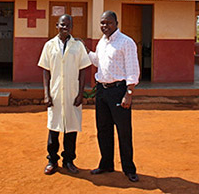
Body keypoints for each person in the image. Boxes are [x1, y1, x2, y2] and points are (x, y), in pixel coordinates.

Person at [85, 10, 140, 182]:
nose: (105, 26)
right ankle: (106, 164)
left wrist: (128, 93)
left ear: (116, 23)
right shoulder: (102, 42)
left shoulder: (126, 42)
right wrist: (85, 50)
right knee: (103, 129)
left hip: (119, 91)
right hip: (101, 91)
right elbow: (97, 62)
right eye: (102, 23)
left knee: (123, 131)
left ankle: (129, 168)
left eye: (108, 23)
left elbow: (132, 70)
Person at [37, 14, 91, 175]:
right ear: (57, 25)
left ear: (72, 27)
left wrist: (81, 93)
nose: (65, 27)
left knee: (71, 129)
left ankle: (69, 160)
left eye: (68, 25)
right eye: (62, 24)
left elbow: (83, 71)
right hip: (55, 93)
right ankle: (52, 160)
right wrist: (47, 94)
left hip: (72, 93)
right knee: (54, 128)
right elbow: (46, 71)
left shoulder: (78, 46)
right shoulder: (49, 45)